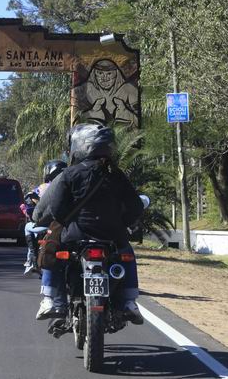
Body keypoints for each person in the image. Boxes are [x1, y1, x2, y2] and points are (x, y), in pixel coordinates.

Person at [33, 123, 145, 325]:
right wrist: (122, 224)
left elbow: (56, 208)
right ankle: (129, 302)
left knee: (51, 248)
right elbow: (135, 206)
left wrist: (64, 222)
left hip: (75, 235)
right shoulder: (116, 174)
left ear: (80, 146)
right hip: (112, 235)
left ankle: (52, 300)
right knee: (127, 255)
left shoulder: (69, 174)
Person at [23, 160, 67, 276]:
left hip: (47, 224)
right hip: (66, 225)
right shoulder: (70, 183)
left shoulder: (44, 187)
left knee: (27, 227)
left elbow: (30, 199)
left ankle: (32, 257)